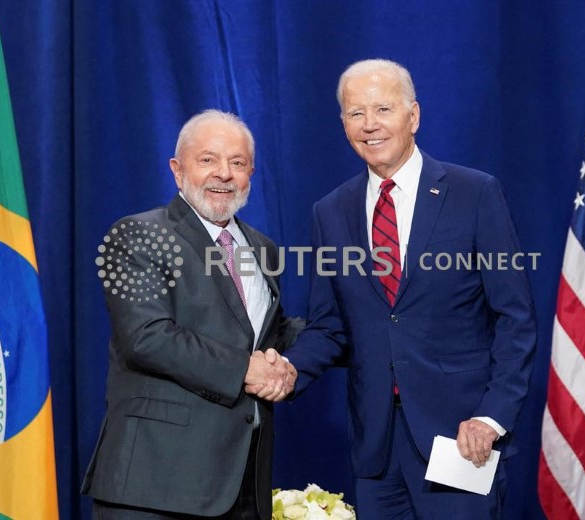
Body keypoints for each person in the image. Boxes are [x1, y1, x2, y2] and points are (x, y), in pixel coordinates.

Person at [279, 60, 537, 518]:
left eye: (383, 108)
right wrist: (286, 371)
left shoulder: (475, 193)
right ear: (343, 124)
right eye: (356, 113)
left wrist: (492, 416)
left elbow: (515, 319)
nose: (370, 124)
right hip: (376, 449)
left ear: (413, 116)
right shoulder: (330, 211)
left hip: (462, 439)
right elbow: (329, 326)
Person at [82, 109, 301, 519]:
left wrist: (335, 336)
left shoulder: (263, 249)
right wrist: (245, 370)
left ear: (251, 172)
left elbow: (267, 335)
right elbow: (147, 336)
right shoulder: (138, 235)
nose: (224, 173)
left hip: (242, 483)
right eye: (208, 160)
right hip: (155, 485)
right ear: (177, 169)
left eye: (237, 163)